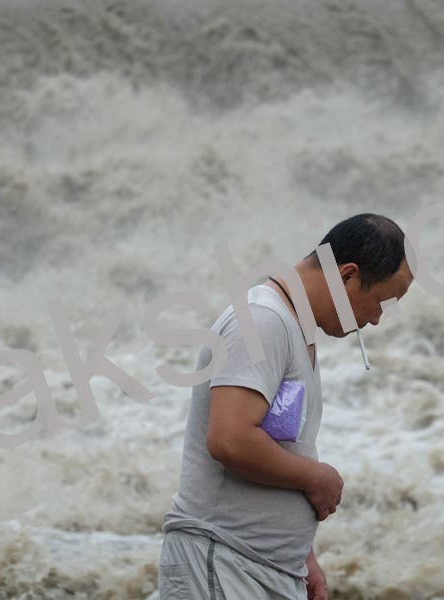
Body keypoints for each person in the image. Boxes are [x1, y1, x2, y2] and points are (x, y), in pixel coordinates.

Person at [159, 213, 414, 599]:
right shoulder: (262, 322)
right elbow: (229, 440)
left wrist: (301, 557)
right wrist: (317, 477)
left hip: (260, 566)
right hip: (222, 560)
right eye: (379, 302)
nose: (376, 320)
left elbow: (276, 447)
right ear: (347, 275)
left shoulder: (292, 328)